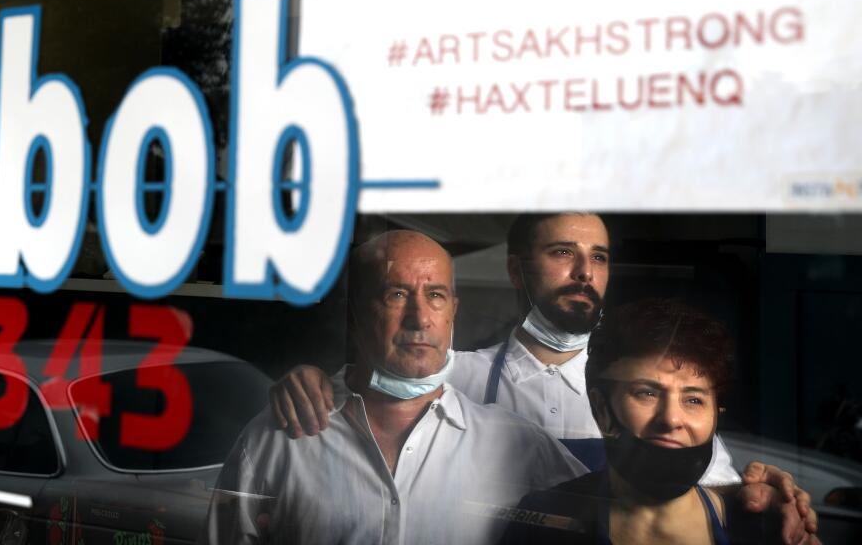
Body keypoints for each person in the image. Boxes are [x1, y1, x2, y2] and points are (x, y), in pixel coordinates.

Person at [269, 214, 820, 541]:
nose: (585, 272)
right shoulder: (457, 374)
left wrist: (766, 500)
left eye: (598, 257)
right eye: (563, 253)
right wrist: (311, 379)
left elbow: (704, 492)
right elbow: (379, 389)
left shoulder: (650, 384)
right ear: (516, 270)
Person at [201, 230, 587, 544]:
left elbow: (610, 518)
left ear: (453, 308)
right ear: (355, 312)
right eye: (396, 295)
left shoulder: (517, 445)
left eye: (434, 295)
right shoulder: (277, 440)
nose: (419, 319)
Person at [499, 298, 777, 544]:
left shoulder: (763, 528)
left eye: (694, 399)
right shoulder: (543, 525)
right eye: (647, 393)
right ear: (601, 409)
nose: (671, 419)